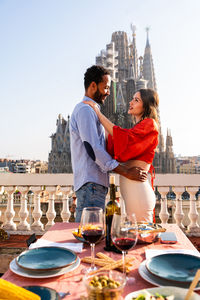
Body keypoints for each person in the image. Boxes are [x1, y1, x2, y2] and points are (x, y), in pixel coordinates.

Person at [70, 65, 147, 222]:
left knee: (92, 235)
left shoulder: (92, 111)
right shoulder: (85, 110)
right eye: (105, 87)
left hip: (93, 185)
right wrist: (125, 171)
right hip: (91, 184)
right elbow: (93, 149)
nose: (108, 92)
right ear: (93, 85)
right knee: (89, 237)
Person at [83, 88, 159, 222]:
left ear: (146, 105)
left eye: (136, 100)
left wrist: (98, 114)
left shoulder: (150, 124)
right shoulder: (138, 127)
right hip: (133, 191)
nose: (131, 102)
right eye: (132, 99)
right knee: (137, 234)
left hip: (138, 191)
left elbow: (124, 139)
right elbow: (118, 141)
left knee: (141, 236)